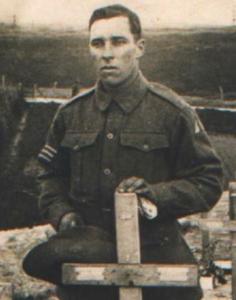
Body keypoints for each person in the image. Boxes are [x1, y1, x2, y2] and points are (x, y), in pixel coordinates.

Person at [36, 4, 223, 300]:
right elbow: (48, 176)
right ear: (89, 50)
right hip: (85, 269)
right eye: (97, 43)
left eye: (118, 41)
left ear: (139, 47)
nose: (107, 53)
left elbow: (209, 180)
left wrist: (154, 196)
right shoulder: (70, 115)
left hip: (159, 268)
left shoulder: (172, 112)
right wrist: (63, 214)